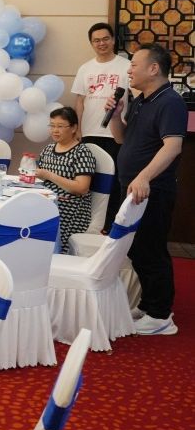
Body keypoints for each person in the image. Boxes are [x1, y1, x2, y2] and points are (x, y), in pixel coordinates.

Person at [106, 43, 185, 336]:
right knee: (136, 248)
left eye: (134, 65)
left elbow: (172, 146)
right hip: (132, 188)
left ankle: (161, 316)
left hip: (152, 189)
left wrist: (144, 177)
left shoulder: (170, 102)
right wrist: (116, 116)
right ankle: (149, 304)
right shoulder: (141, 100)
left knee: (151, 249)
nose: (129, 70)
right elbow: (121, 140)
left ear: (153, 68)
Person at [73, 23, 131, 228]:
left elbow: (137, 97)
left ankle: (109, 226)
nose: (101, 43)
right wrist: (79, 129)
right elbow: (80, 101)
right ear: (91, 43)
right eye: (96, 40)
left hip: (115, 135)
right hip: (89, 133)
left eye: (105, 38)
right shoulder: (85, 68)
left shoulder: (126, 66)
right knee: (89, 181)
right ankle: (86, 225)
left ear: (113, 40)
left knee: (113, 183)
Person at [34, 107, 95, 251]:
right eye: (52, 126)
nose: (55, 130)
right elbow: (39, 178)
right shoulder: (48, 149)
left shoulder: (82, 152)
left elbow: (82, 188)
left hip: (69, 209)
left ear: (73, 128)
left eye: (60, 126)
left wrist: (49, 175)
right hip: (45, 202)